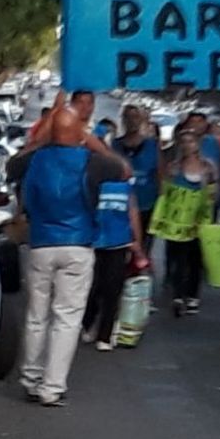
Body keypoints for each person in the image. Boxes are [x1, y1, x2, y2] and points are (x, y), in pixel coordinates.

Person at [7, 109, 126, 407]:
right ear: (78, 133)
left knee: (36, 315)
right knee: (67, 318)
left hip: (40, 244)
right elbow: (123, 170)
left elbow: (11, 167)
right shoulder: (93, 162)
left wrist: (41, 139)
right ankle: (52, 386)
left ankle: (31, 378)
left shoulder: (34, 161)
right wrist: (92, 141)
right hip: (78, 244)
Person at [81, 123, 148, 352]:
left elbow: (132, 212)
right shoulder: (89, 181)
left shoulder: (123, 184)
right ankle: (88, 323)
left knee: (113, 288)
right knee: (93, 287)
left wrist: (136, 242)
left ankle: (105, 333)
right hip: (94, 240)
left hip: (118, 242)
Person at [164, 128, 218, 317]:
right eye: (184, 142)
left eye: (191, 141)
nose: (187, 145)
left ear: (197, 144)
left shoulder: (208, 167)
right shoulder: (174, 167)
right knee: (177, 258)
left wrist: (206, 216)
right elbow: (167, 194)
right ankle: (178, 295)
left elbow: (213, 193)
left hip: (199, 220)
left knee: (195, 259)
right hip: (177, 220)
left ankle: (192, 295)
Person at [113, 105, 163, 251]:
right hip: (121, 205)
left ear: (141, 120)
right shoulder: (115, 145)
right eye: (128, 117)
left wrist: (161, 203)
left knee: (144, 246)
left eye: (135, 117)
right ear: (123, 120)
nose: (132, 121)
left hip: (147, 203)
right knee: (123, 245)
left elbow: (160, 174)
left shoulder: (152, 145)